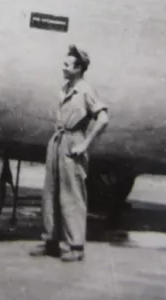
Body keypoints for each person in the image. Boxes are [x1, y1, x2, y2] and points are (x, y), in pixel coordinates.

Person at [30, 45, 109, 262]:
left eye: (67, 64)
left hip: (74, 142)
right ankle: (51, 241)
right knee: (51, 192)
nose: (62, 67)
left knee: (72, 195)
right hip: (58, 141)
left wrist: (85, 145)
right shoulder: (65, 88)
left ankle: (76, 246)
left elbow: (102, 118)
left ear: (79, 68)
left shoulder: (85, 90)